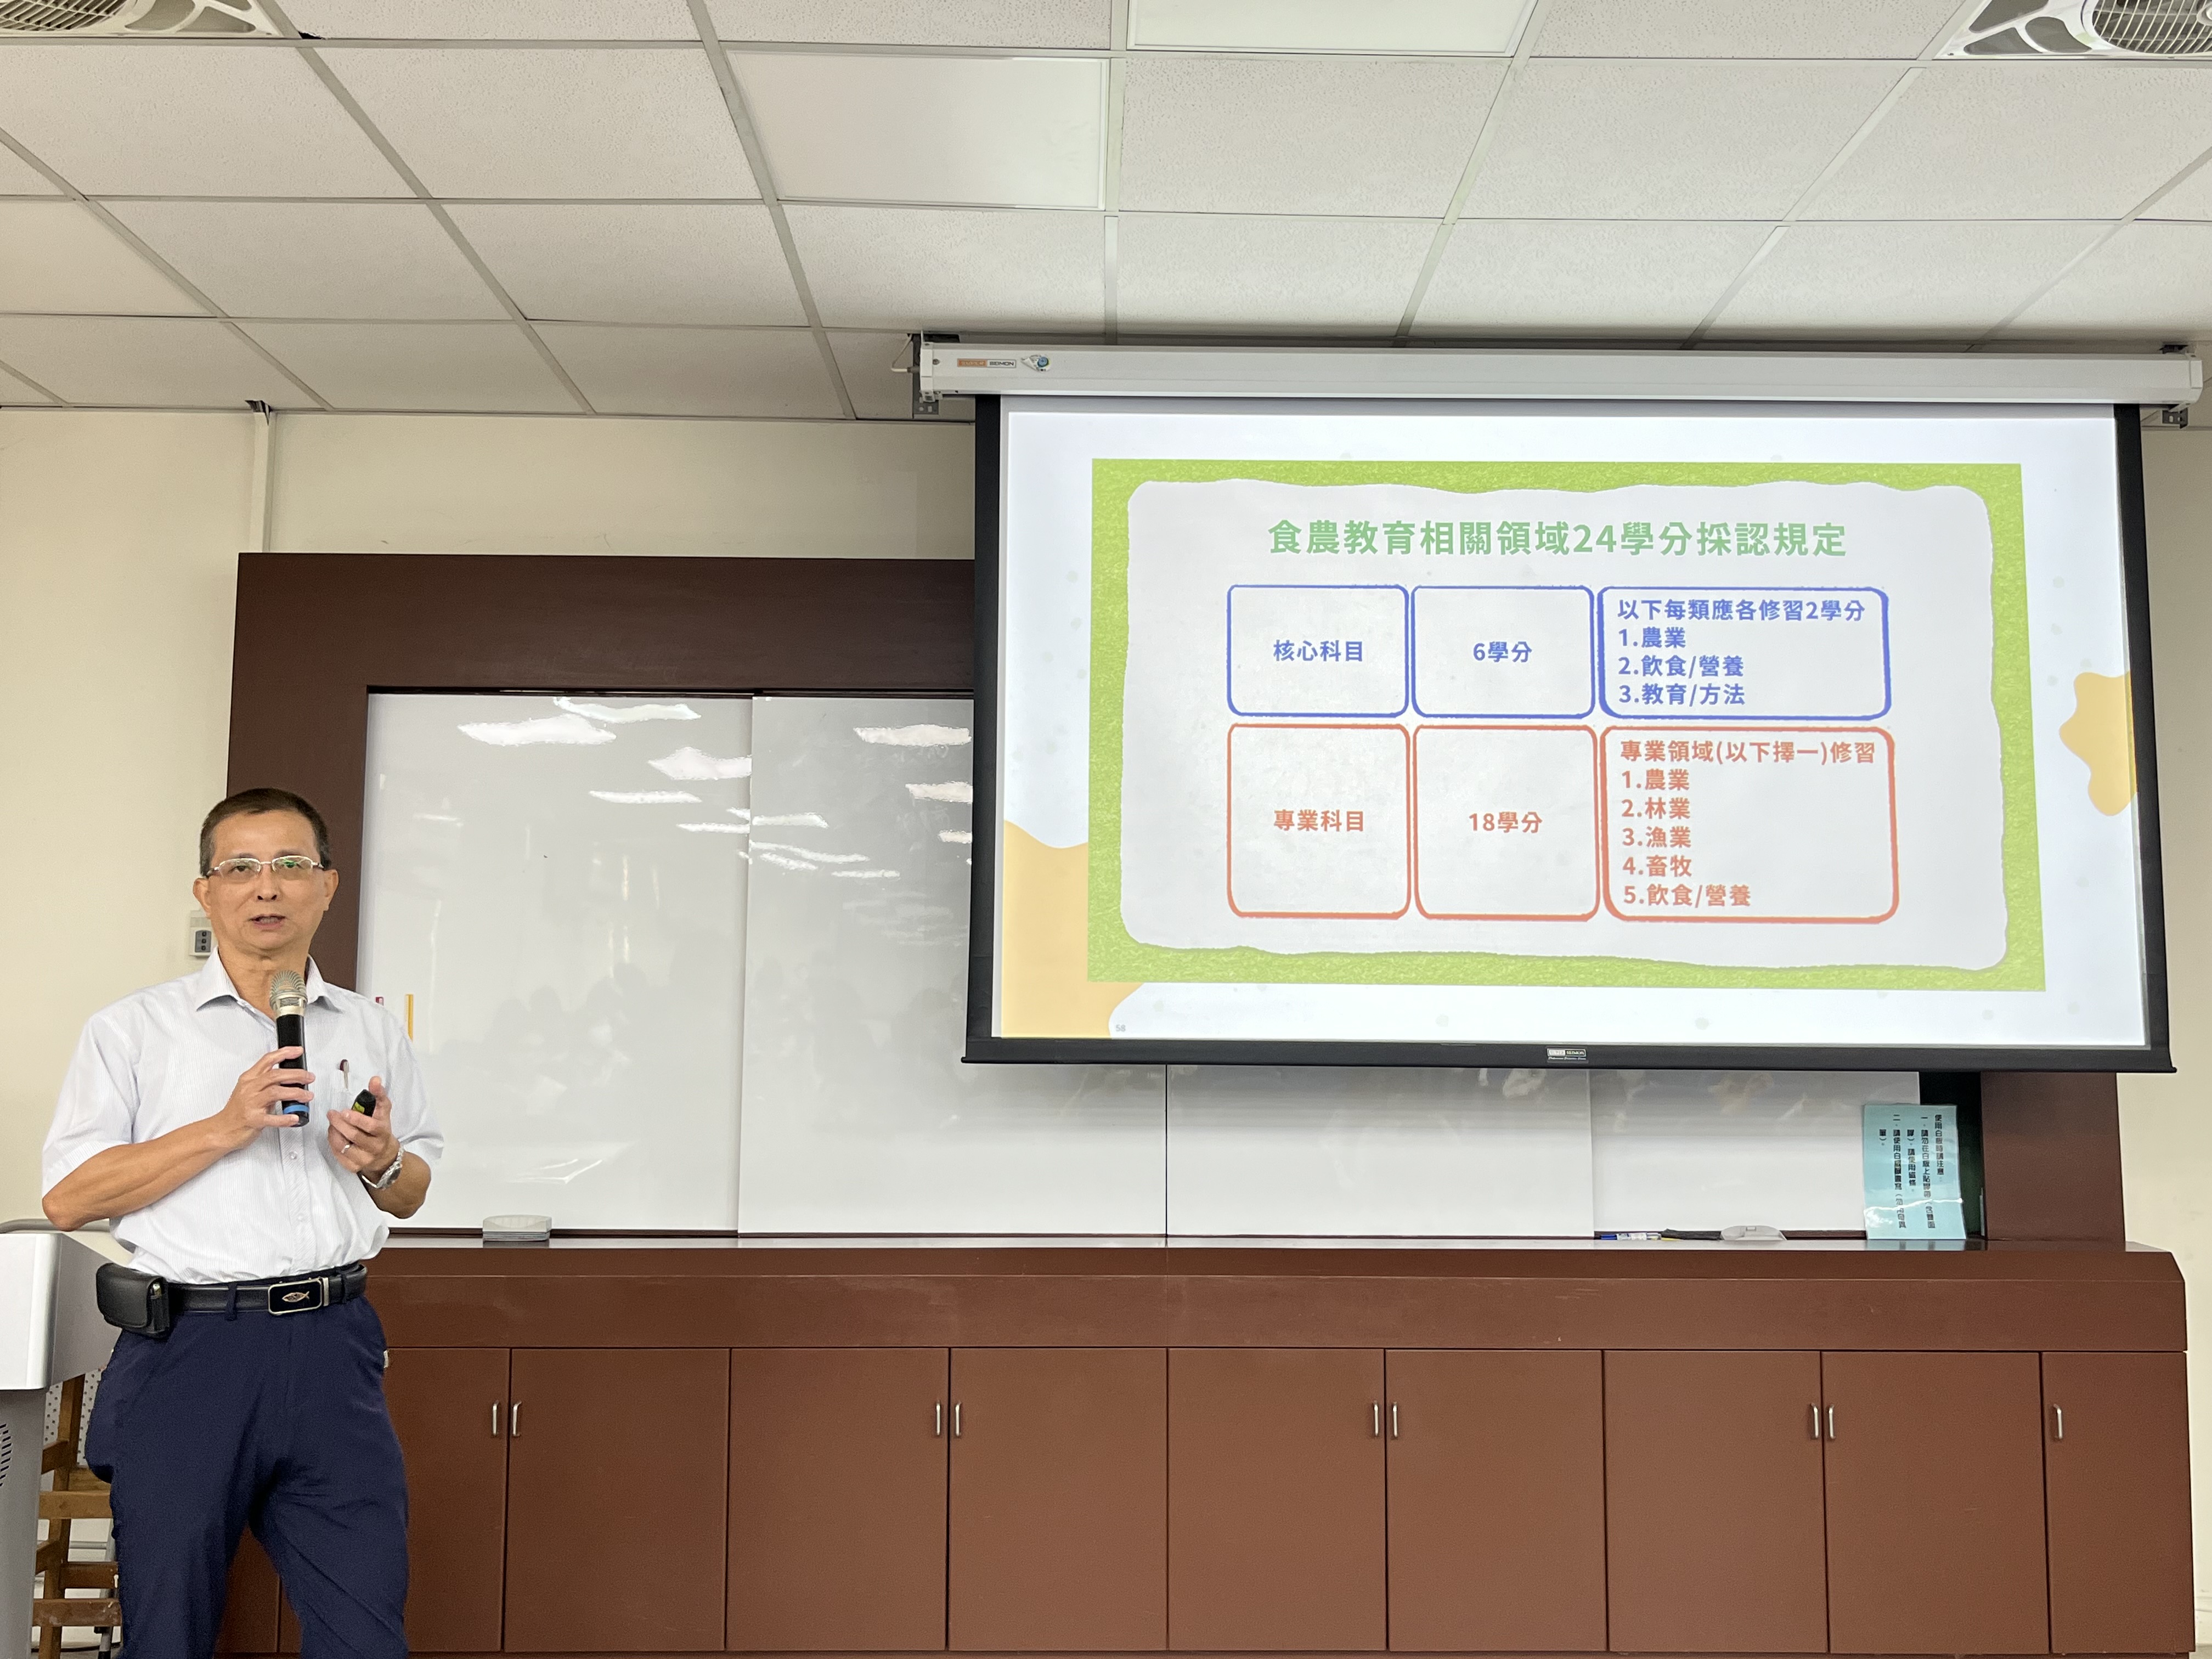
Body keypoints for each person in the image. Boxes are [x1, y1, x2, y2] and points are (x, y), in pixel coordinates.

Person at [41, 787, 443, 1659]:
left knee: (367, 1631)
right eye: (242, 868)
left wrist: (381, 1159)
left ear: (327, 885)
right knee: (169, 1630)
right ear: (206, 891)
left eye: (292, 865)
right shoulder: (133, 1031)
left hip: (335, 1349)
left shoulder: (372, 1027)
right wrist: (224, 1127)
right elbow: (69, 1198)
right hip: (192, 1353)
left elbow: (411, 1190)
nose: (268, 886)